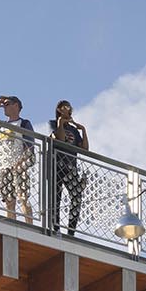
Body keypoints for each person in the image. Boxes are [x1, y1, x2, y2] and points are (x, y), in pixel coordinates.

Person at [0, 95, 36, 224]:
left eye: (7, 103)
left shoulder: (24, 123)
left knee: (23, 197)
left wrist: (21, 162)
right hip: (4, 166)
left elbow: (30, 145)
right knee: (9, 201)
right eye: (3, 104)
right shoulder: (2, 125)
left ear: (16, 105)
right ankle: (11, 225)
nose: (4, 106)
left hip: (19, 165)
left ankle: (30, 226)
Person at [47, 100, 89, 235]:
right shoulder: (53, 124)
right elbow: (60, 138)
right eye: (66, 107)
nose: (69, 110)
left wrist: (82, 130)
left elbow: (84, 149)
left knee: (77, 195)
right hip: (57, 165)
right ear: (59, 109)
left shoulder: (74, 130)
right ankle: (56, 228)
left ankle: (71, 230)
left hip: (71, 167)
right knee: (56, 198)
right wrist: (60, 123)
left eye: (70, 107)